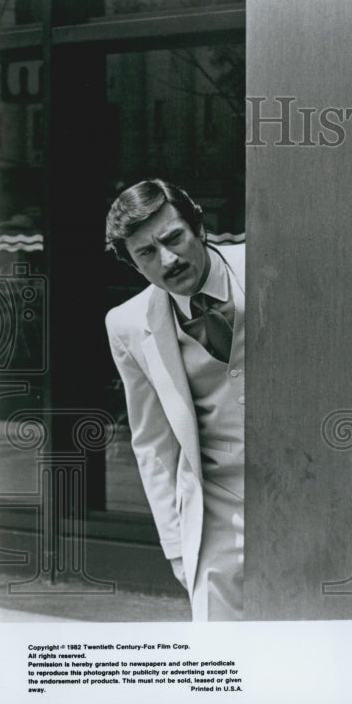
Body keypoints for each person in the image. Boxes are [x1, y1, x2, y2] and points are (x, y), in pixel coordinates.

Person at [105, 179, 244, 621]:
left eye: (173, 238)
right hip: (218, 517)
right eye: (146, 253)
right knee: (229, 667)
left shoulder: (273, 264)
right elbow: (152, 442)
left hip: (312, 496)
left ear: (198, 227)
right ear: (132, 264)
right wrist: (178, 548)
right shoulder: (127, 324)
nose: (167, 259)